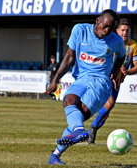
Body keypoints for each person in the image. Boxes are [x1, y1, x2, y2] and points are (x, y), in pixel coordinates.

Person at [42, 9, 126, 164]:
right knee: (68, 100)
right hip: (81, 78)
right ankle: (71, 140)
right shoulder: (79, 30)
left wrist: (114, 73)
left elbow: (121, 56)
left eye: (110, 28)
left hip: (101, 82)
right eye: (105, 26)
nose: (107, 30)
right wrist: (55, 79)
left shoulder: (116, 40)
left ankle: (57, 153)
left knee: (80, 114)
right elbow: (69, 57)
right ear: (98, 21)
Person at [87, 18, 137, 144]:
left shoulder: (133, 46)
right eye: (122, 30)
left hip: (117, 83)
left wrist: (127, 72)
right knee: (108, 104)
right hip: (103, 79)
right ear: (117, 31)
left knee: (107, 110)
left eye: (127, 31)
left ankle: (92, 130)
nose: (124, 33)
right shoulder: (109, 42)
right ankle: (91, 129)